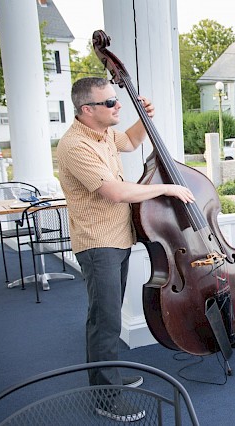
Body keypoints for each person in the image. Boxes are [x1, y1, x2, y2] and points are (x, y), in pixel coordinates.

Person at [57, 77, 194, 422]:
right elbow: (115, 192)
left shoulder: (103, 133)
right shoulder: (75, 146)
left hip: (118, 237)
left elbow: (131, 142)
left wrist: (143, 119)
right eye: (110, 103)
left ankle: (110, 376)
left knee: (111, 314)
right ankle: (106, 396)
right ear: (87, 110)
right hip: (97, 242)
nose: (117, 106)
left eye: (117, 100)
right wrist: (168, 188)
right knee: (104, 320)